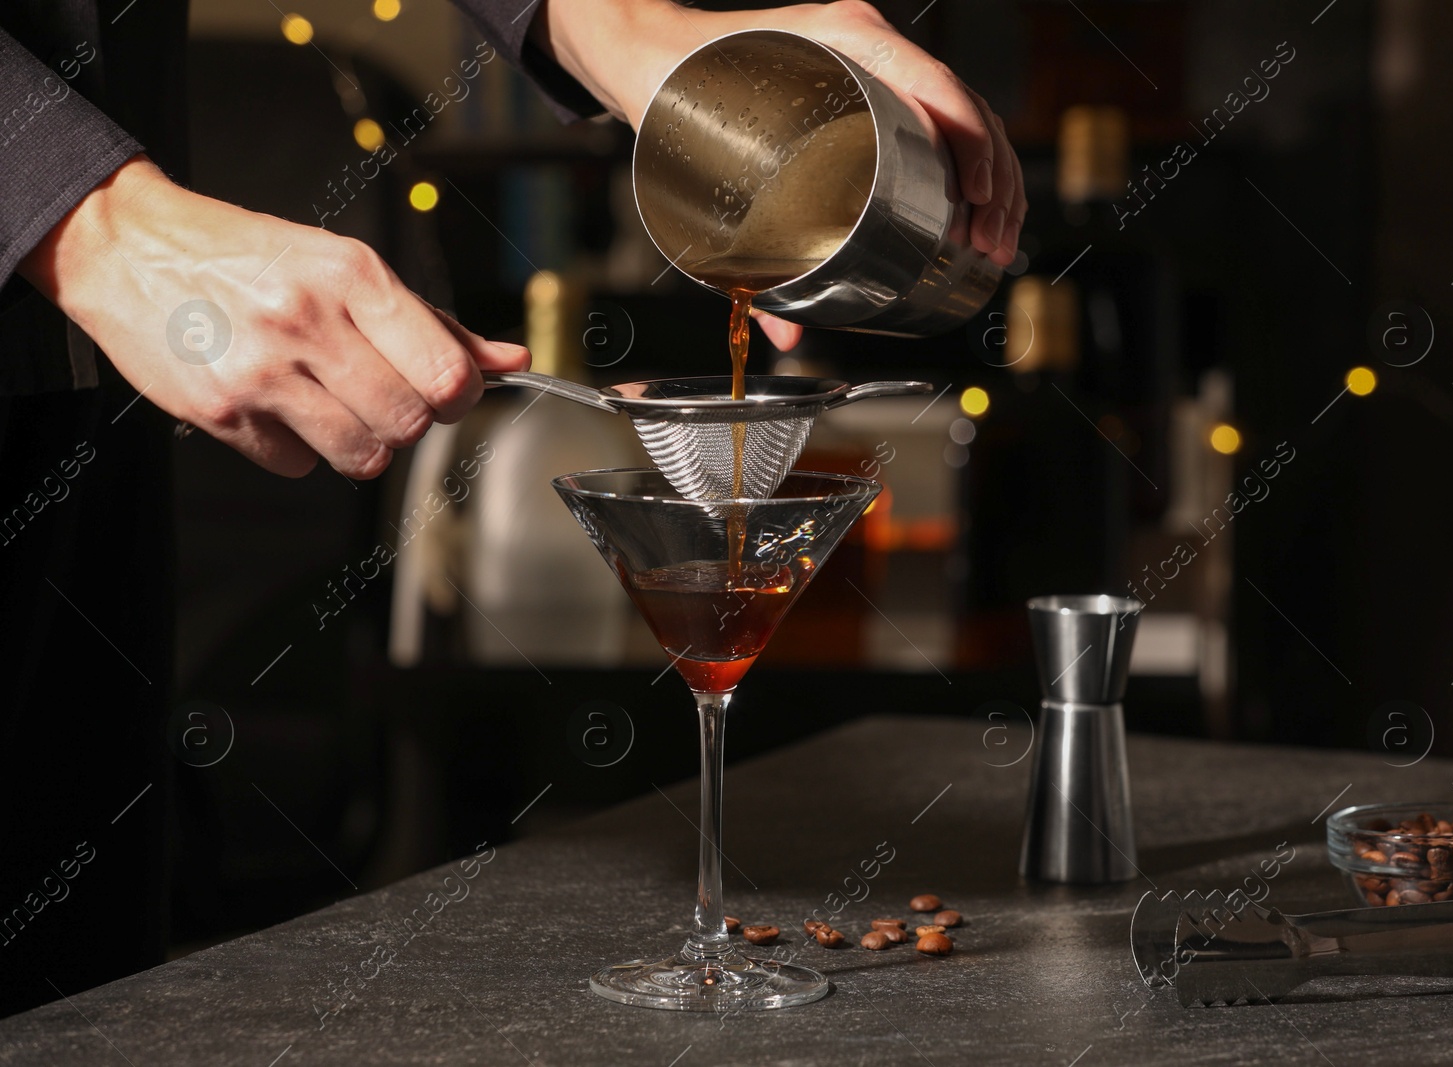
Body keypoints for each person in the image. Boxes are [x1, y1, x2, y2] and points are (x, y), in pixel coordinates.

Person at [0, 0, 1025, 1015]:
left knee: (79, 987)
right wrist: (85, 220)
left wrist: (615, 23)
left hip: (102, 435)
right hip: (90, 293)